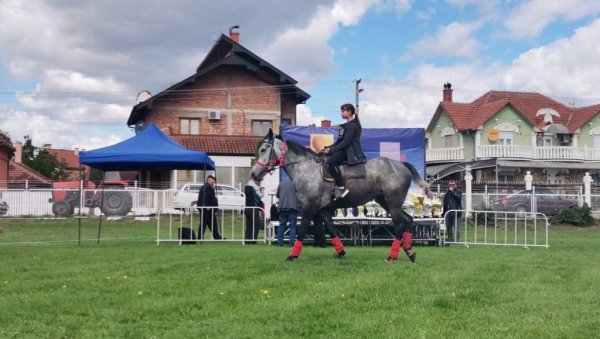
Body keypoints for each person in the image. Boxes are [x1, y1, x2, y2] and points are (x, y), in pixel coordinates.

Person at [321, 103, 367, 199]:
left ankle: (341, 187)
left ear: (349, 112)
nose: (341, 113)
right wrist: (327, 148)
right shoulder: (345, 126)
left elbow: (346, 142)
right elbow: (339, 141)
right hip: (344, 149)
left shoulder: (352, 126)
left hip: (350, 151)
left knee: (331, 162)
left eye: (343, 111)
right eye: (341, 111)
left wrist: (332, 150)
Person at [197, 175, 222, 240]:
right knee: (204, 224)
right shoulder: (206, 188)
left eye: (214, 180)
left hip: (210, 210)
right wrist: (206, 206)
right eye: (212, 180)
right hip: (207, 210)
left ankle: (216, 237)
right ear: (208, 180)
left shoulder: (207, 188)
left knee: (212, 224)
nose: (213, 181)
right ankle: (200, 238)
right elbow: (204, 198)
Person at [276, 178, 299, 246]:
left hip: (282, 207)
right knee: (292, 226)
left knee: (281, 226)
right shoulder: (296, 183)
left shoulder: (281, 183)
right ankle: (291, 243)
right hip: (293, 207)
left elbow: (277, 195)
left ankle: (280, 242)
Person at [244, 179, 264, 244]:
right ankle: (253, 240)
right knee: (255, 225)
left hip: (247, 207)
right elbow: (260, 195)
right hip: (254, 207)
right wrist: (262, 191)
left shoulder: (246, 185)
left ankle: (247, 240)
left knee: (248, 225)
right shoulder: (255, 186)